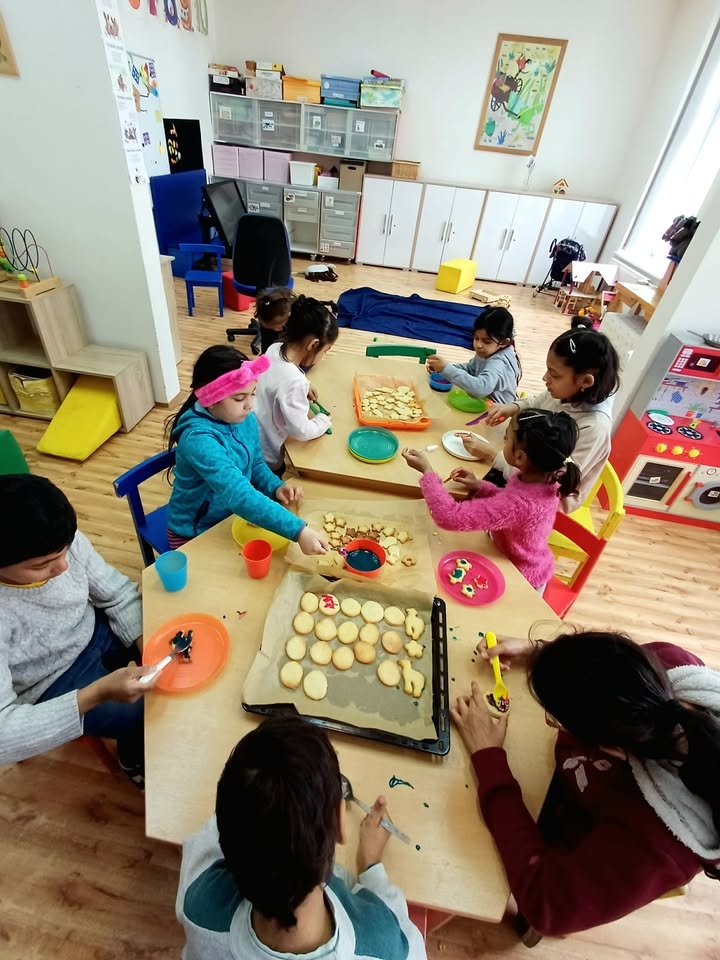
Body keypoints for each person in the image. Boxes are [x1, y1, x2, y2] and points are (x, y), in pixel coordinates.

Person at [451, 630, 720, 938]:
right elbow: (609, 676)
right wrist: (541, 654)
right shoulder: (667, 662)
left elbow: (546, 902)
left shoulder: (655, 848)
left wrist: (488, 757)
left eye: (554, 720)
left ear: (611, 750)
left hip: (577, 843)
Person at [176, 716, 426, 960]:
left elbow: (208, 839)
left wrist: (255, 798)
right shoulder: (385, 945)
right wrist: (371, 866)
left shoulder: (198, 904)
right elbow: (412, 946)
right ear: (340, 824)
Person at [0, 475, 157, 785]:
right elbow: (4, 732)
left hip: (92, 629)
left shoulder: (58, 542)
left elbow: (117, 594)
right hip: (50, 680)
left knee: (171, 652)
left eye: (66, 551)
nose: (63, 568)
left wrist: (147, 645)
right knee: (141, 712)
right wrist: (96, 693)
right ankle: (133, 758)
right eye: (42, 565)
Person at [166, 345, 328, 554]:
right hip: (193, 532)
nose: (249, 405)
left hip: (231, 516)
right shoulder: (199, 440)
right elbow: (240, 495)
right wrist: (299, 532)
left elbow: (256, 462)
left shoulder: (243, 417)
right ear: (211, 399)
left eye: (252, 394)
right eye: (239, 398)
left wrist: (275, 487)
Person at [402, 408, 579, 592]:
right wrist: (479, 486)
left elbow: (449, 517)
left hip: (519, 578)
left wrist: (427, 472)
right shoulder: (546, 479)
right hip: (517, 557)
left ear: (520, 456)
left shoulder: (520, 503)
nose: (503, 441)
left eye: (506, 438)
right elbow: (507, 502)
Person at [464, 328, 619, 512]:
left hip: (539, 504)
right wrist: (513, 407)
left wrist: (492, 455)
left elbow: (546, 483)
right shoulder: (569, 393)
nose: (545, 378)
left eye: (554, 374)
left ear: (585, 381)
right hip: (516, 471)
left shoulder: (594, 428)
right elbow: (538, 401)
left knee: (465, 503)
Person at [254, 296, 337, 473]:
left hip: (253, 433)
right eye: (325, 350)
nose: (324, 356)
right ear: (314, 344)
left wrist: (304, 383)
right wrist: (322, 421)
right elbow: (301, 431)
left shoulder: (274, 349)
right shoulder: (294, 382)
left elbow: (281, 377)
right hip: (266, 456)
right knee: (270, 484)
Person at [426, 306, 520, 405]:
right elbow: (471, 369)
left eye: (486, 341)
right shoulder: (487, 351)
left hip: (498, 411)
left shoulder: (499, 362)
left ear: (504, 342)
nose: (478, 345)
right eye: (476, 338)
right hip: (484, 404)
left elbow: (480, 390)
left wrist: (446, 369)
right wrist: (443, 368)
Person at [254, 287, 295, 356]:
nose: (277, 329)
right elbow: (266, 346)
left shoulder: (297, 318)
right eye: (271, 326)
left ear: (288, 315)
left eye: (279, 326)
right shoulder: (266, 316)